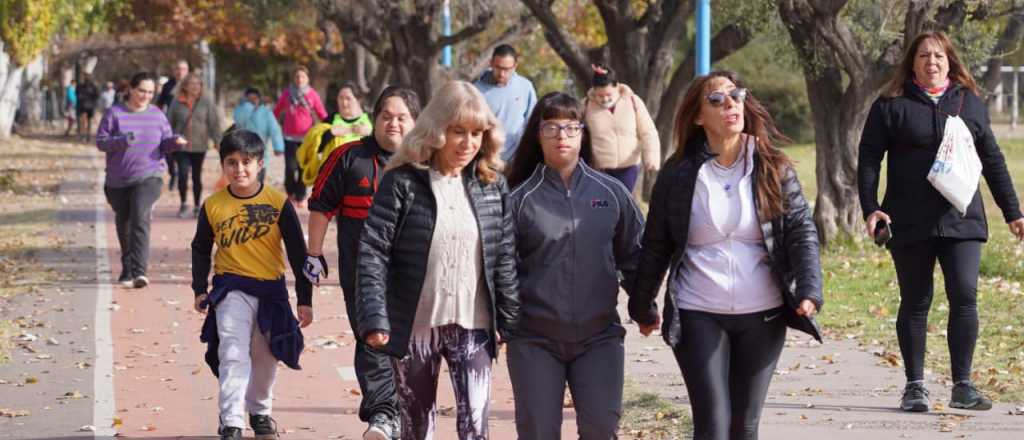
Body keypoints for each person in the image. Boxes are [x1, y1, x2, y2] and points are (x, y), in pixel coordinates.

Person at [629, 71, 824, 440]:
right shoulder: (678, 172)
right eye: (717, 99)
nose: (731, 104)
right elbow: (656, 243)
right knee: (713, 426)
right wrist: (642, 305)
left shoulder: (773, 165)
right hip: (698, 311)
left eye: (736, 95)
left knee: (744, 426)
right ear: (698, 116)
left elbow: (801, 230)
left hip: (763, 313)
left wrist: (809, 289)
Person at [858, 31, 1024, 413]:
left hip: (961, 218)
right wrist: (871, 208)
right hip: (909, 219)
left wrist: (1013, 212)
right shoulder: (891, 105)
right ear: (912, 63)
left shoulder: (969, 103)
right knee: (916, 300)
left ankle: (962, 386)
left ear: (950, 62)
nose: (931, 62)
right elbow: (869, 158)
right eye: (923, 56)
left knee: (965, 295)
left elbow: (992, 159)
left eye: (938, 56)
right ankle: (915, 386)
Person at [356, 80, 520, 440]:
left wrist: (508, 320)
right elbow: (373, 251)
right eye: (458, 131)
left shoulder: (492, 185)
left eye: (476, 133)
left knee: (475, 427)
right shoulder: (402, 182)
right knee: (417, 427)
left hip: (474, 325)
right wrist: (375, 316)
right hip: (414, 326)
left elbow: (504, 255)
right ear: (436, 130)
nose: (468, 143)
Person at [504, 92, 644, 439]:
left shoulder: (611, 193)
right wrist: (501, 321)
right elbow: (500, 269)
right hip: (534, 339)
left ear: (583, 133)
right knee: (538, 433)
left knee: (601, 429)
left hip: (599, 338)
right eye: (551, 128)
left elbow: (635, 256)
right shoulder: (518, 199)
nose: (561, 136)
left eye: (570, 127)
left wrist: (646, 307)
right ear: (537, 135)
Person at [304, 85, 421, 440]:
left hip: (415, 274)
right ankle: (384, 414)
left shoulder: (428, 163)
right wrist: (313, 254)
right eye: (386, 116)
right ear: (374, 118)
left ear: (415, 122)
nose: (393, 124)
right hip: (361, 273)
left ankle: (408, 412)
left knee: (412, 345)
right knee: (372, 337)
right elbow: (321, 206)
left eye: (402, 118)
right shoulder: (347, 157)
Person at [191, 129, 315, 440]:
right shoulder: (213, 205)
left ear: (260, 164)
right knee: (233, 352)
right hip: (230, 289)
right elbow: (200, 248)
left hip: (271, 291)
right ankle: (232, 420)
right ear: (222, 165)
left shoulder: (278, 202)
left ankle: (260, 411)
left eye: (246, 162)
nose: (239, 169)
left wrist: (305, 299)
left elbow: (298, 252)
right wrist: (199, 288)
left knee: (266, 356)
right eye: (231, 162)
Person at [96, 72, 187, 288]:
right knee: (124, 221)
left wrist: (174, 142)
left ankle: (139, 272)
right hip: (118, 179)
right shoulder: (114, 113)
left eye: (150, 92)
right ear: (130, 89)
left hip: (150, 174)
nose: (146, 96)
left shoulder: (157, 114)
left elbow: (164, 143)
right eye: (142, 91)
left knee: (140, 215)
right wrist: (122, 141)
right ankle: (127, 268)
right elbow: (101, 142)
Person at [583, 64, 661, 192]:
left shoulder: (633, 101)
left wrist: (651, 158)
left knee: (623, 200)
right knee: (602, 202)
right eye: (600, 95)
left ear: (617, 87)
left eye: (608, 94)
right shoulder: (586, 105)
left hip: (628, 167)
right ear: (594, 91)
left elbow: (648, 132)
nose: (605, 99)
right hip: (600, 169)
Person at [296, 81, 373, 187]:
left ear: (358, 100)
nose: (344, 103)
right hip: (331, 178)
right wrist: (330, 133)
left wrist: (369, 134)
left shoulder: (369, 122)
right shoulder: (330, 120)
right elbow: (314, 148)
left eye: (348, 98)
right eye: (341, 98)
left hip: (359, 177)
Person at [168, 73, 223, 218]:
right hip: (181, 146)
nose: (195, 87)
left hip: (200, 145)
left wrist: (218, 141)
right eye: (192, 84)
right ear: (185, 86)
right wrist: (169, 141)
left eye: (198, 84)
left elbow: (214, 124)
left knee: (196, 176)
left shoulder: (206, 102)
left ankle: (197, 206)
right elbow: (168, 123)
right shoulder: (176, 102)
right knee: (183, 174)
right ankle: (183, 203)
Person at [274, 66, 328, 207]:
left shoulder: (312, 94)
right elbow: (277, 110)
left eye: (303, 76)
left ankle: (301, 196)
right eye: (297, 76)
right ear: (294, 78)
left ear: (307, 79)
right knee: (290, 167)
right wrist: (271, 123)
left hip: (306, 138)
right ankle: (290, 193)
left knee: (302, 167)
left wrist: (331, 125)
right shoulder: (287, 93)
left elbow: (322, 113)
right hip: (289, 137)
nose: (300, 79)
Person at [474, 44, 537, 161]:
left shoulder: (525, 87)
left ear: (515, 66)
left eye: (507, 69)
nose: (502, 74)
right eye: (498, 68)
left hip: (518, 159)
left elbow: (533, 122)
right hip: (486, 159)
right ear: (491, 63)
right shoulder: (476, 91)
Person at [232, 87, 284, 183]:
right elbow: (237, 119)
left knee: (258, 181)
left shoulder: (266, 112)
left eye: (255, 98)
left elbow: (274, 130)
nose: (252, 100)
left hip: (260, 152)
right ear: (245, 99)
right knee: (245, 180)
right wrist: (247, 108)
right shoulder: (240, 110)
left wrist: (278, 147)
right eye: (249, 98)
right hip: (242, 150)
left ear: (259, 99)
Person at [159, 60, 190, 188]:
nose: (180, 71)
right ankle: (173, 173)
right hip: (169, 123)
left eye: (183, 69)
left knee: (184, 152)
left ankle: (182, 177)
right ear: (174, 71)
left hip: (187, 123)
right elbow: (160, 103)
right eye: (178, 68)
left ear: (187, 71)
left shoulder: (193, 85)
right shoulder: (168, 85)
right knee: (168, 151)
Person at [76, 74, 101, 141]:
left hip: (89, 106)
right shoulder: (81, 86)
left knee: (88, 121)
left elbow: (97, 95)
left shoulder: (93, 86)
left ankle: (87, 135)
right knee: (85, 120)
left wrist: (93, 102)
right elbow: (77, 94)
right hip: (84, 105)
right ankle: (85, 135)